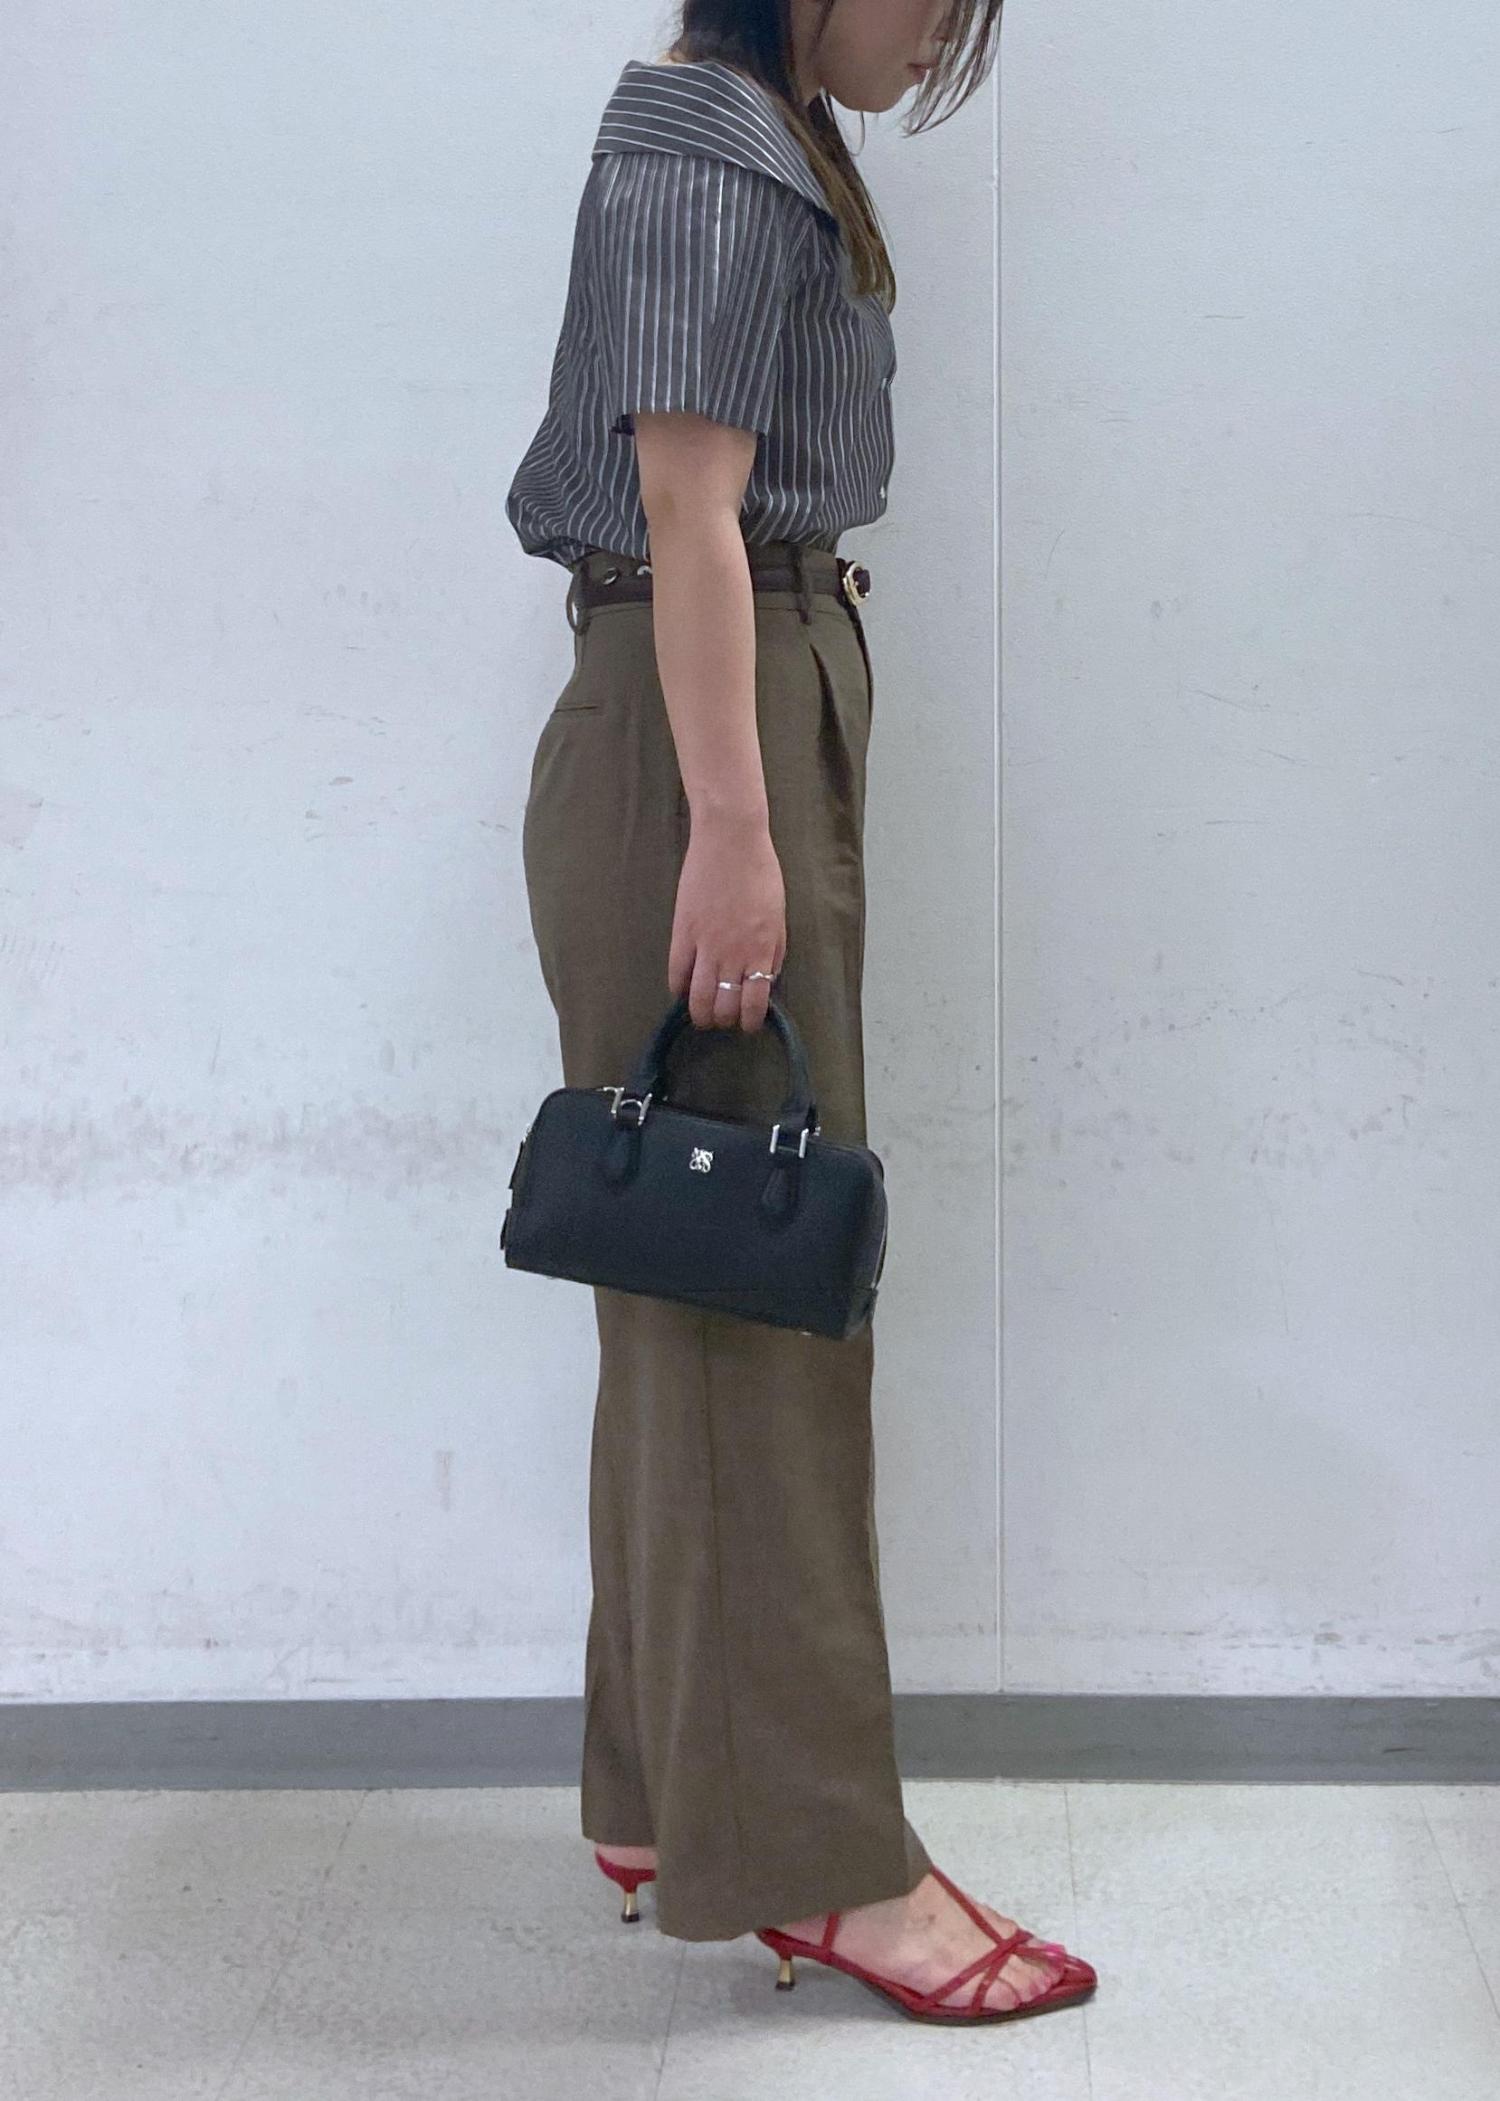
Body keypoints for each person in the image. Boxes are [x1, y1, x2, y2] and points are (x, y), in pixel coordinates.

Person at [504, 0, 1097, 2024]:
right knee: (756, 1316)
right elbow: (685, 508)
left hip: (744, 696)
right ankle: (827, 1867)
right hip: (709, 726)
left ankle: (662, 1790)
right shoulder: (704, 144)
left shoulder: (755, 134)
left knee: (697, 1281)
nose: (936, 35)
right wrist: (738, 826)